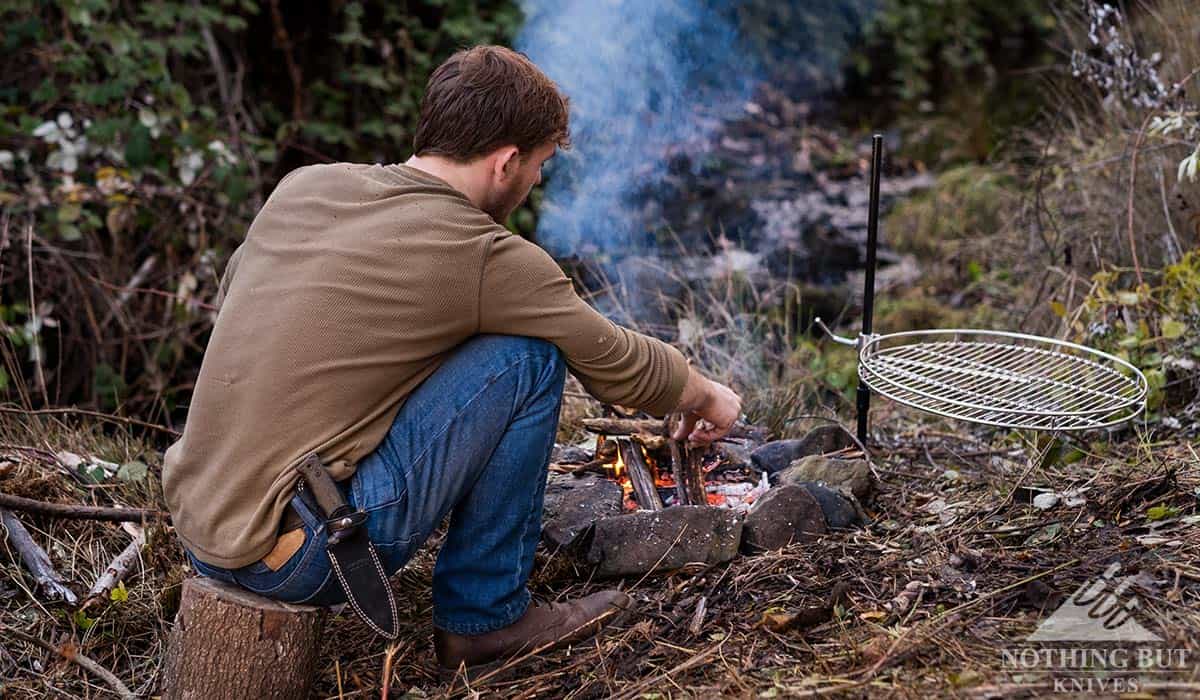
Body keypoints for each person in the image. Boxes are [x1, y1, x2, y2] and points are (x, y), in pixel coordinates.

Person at [162, 44, 742, 675]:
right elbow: (619, 363)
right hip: (297, 555)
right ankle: (486, 620)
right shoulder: (484, 255)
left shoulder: (307, 187)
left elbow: (239, 295)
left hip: (200, 523)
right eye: (540, 164)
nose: (537, 181)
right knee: (528, 357)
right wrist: (709, 395)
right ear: (506, 161)